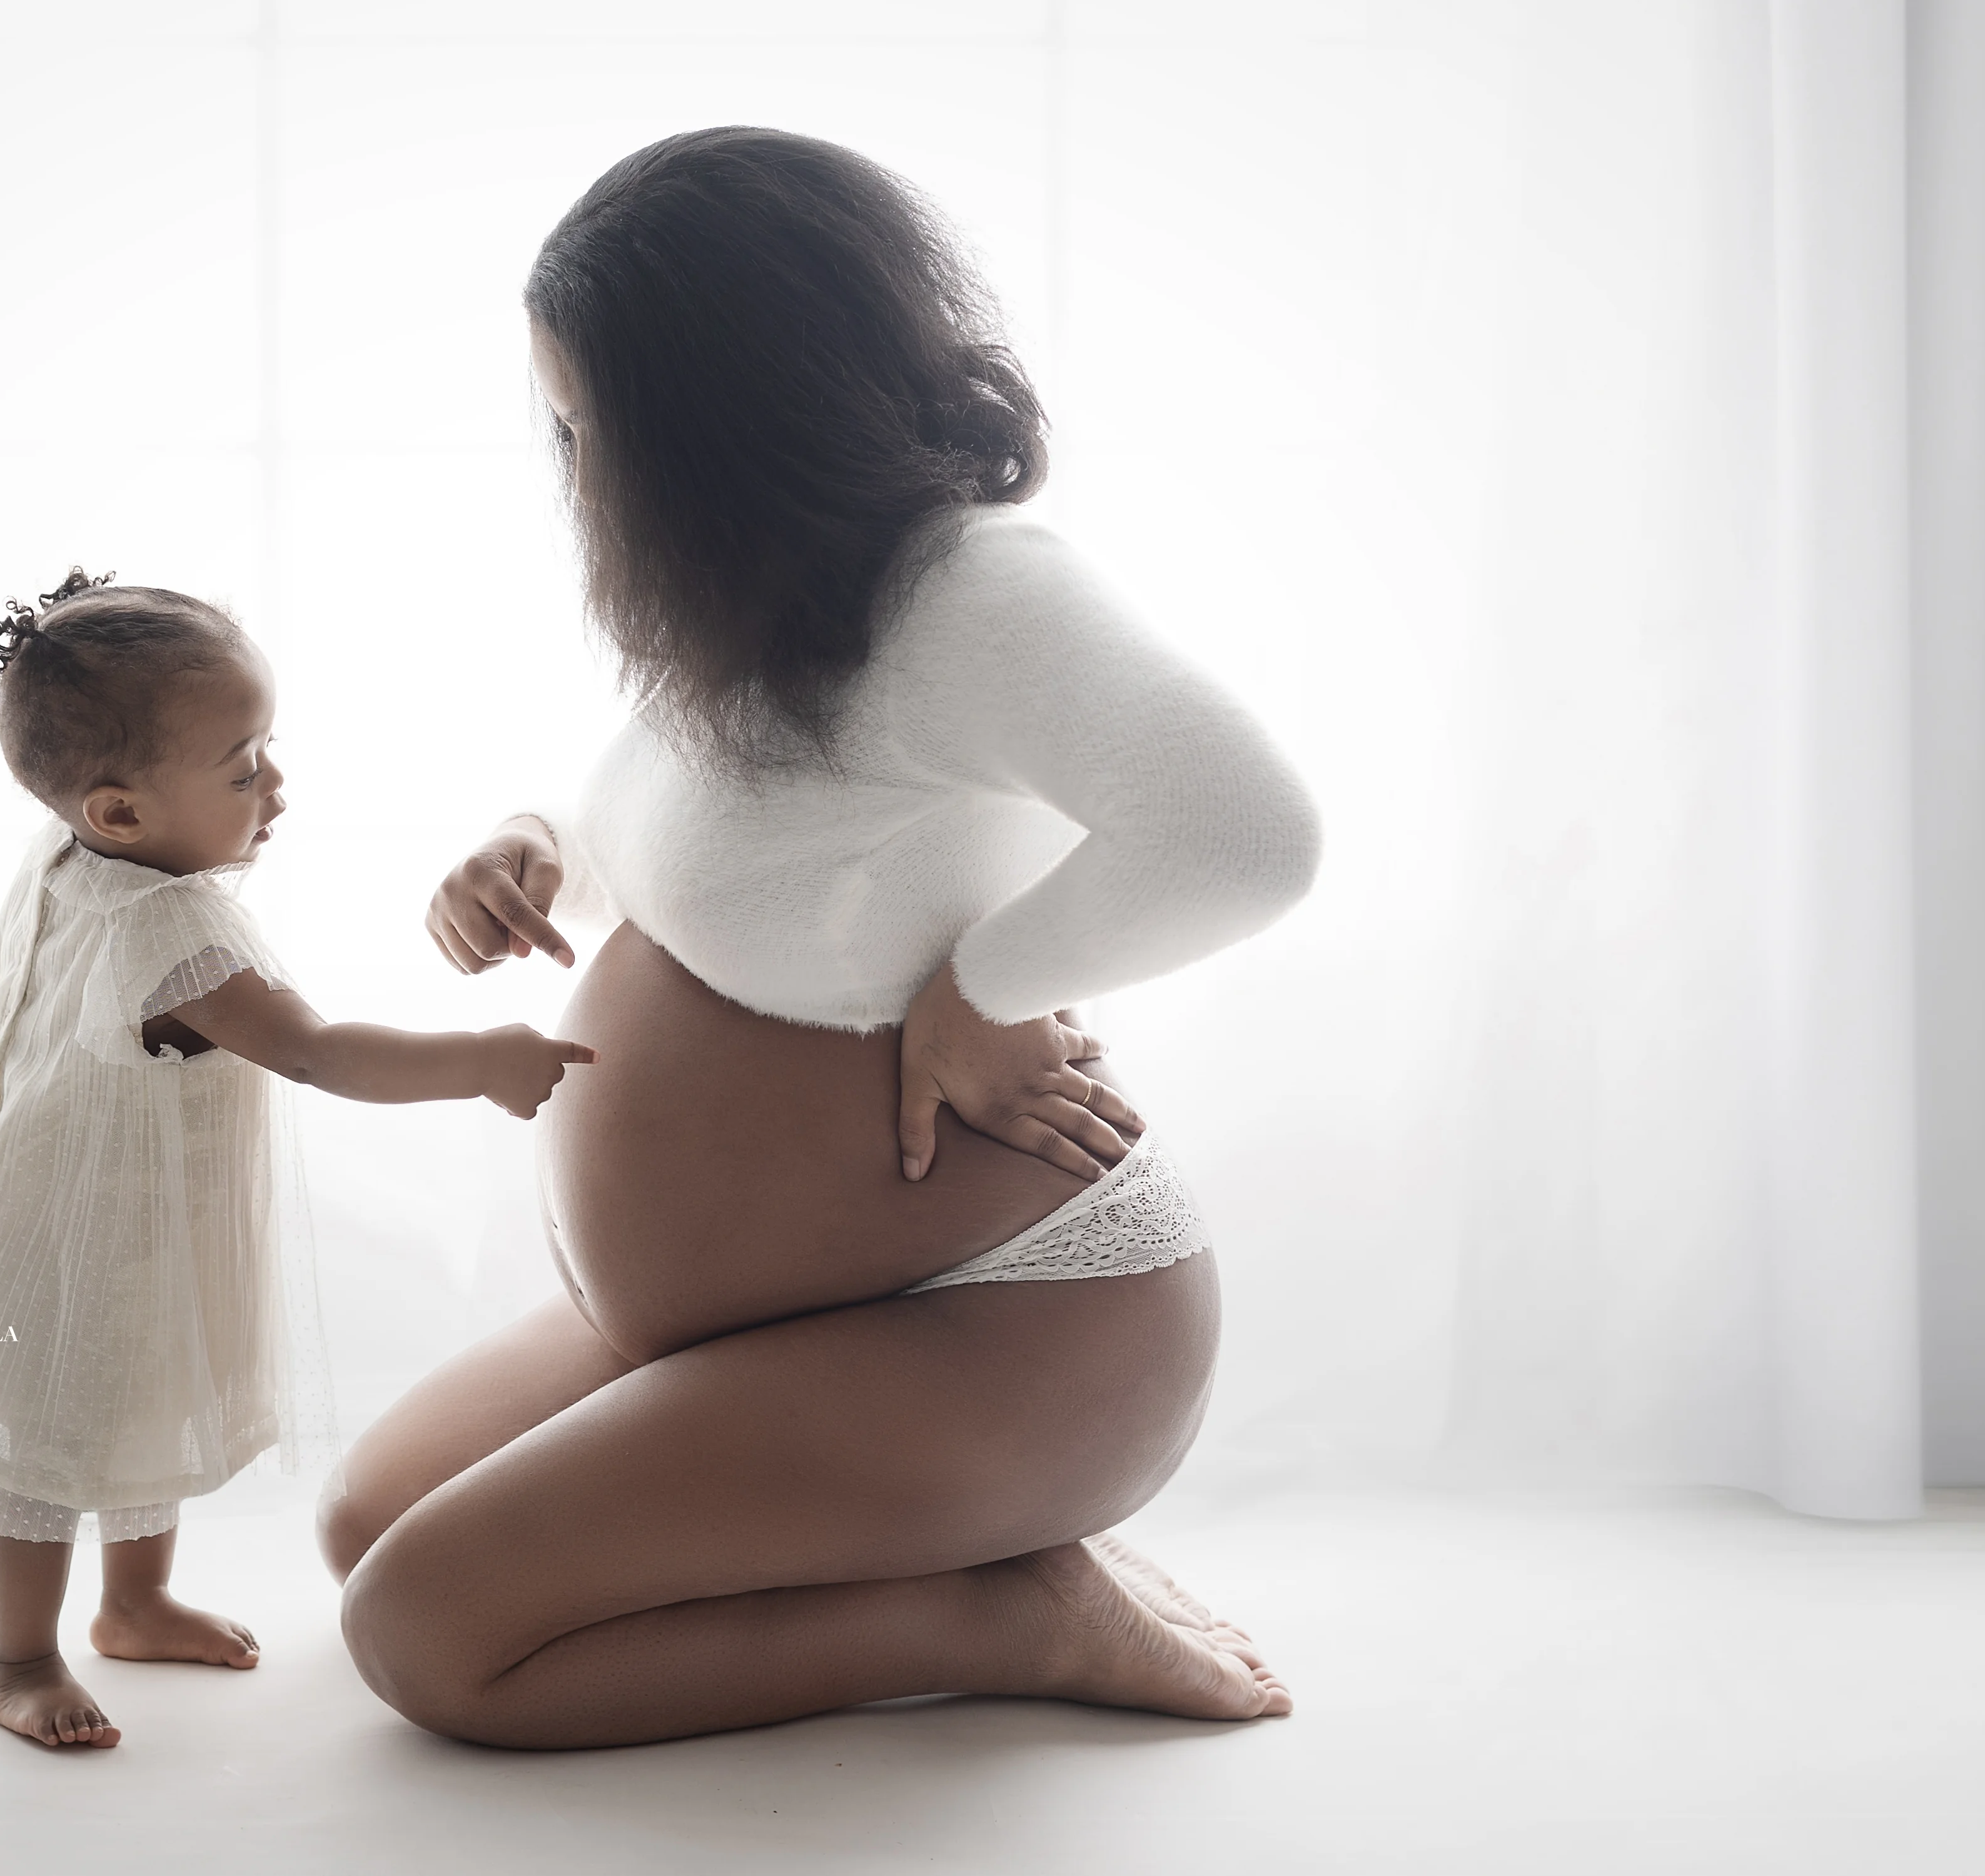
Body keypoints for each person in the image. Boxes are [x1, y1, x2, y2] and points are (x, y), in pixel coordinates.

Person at [318, 129, 1323, 1750]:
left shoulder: (973, 593)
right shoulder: (755, 598)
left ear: (718, 419)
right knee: (367, 1525)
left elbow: (1245, 832)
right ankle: (927, 1550)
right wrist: (539, 850)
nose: (577, 471)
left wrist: (988, 988)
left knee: (430, 1638)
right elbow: (746, 857)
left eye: (591, 427)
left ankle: (1008, 1610)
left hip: (1001, 1319)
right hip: (774, 1317)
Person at [0, 570, 593, 1749]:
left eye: (267, 751)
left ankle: (136, 1603)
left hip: (133, 1218)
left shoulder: (75, 856)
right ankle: (20, 1659)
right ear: (120, 813)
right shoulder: (174, 929)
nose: (276, 786)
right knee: (53, 1456)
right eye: (243, 768)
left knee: (145, 1403)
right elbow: (315, 1051)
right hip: (76, 1241)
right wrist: (480, 1062)